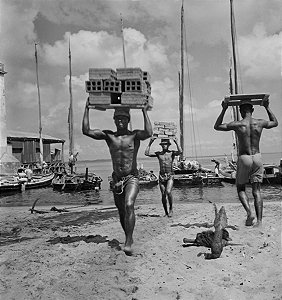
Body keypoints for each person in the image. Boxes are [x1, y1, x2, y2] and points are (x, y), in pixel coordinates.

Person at [82, 99, 152, 255]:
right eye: (118, 119)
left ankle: (128, 240)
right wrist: (86, 109)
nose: (121, 121)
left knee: (128, 205)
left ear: (128, 120)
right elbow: (86, 131)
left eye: (124, 119)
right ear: (114, 120)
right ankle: (128, 236)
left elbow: (149, 133)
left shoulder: (134, 136)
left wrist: (144, 110)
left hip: (131, 177)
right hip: (116, 179)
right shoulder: (109, 136)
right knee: (121, 211)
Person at [214, 96, 278, 227]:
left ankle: (249, 212)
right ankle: (259, 222)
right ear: (252, 109)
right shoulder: (260, 122)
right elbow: (275, 122)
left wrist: (224, 109)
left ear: (240, 110)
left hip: (244, 158)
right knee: (257, 191)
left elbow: (217, 126)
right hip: (257, 157)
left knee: (240, 187)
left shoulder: (238, 124)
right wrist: (267, 106)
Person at [145, 136, 182, 217]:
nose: (164, 145)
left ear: (169, 145)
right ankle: (166, 212)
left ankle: (171, 209)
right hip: (161, 176)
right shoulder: (159, 154)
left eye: (166, 144)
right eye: (163, 144)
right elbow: (146, 153)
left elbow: (180, 151)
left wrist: (176, 142)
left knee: (168, 191)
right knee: (163, 195)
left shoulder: (172, 153)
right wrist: (150, 143)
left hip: (170, 175)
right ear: (161, 145)